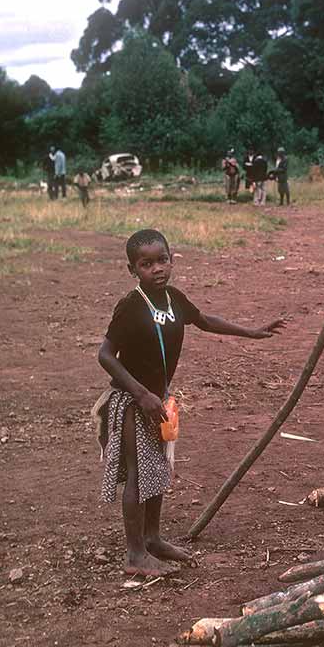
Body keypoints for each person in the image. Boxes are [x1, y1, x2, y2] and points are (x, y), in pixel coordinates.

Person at [95, 229, 285, 576]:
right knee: (139, 475)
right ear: (132, 270)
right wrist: (140, 392)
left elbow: (206, 322)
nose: (157, 269)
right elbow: (105, 355)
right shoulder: (130, 306)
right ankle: (135, 555)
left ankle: (152, 538)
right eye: (146, 264)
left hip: (159, 402)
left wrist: (252, 331)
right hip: (131, 399)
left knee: (158, 470)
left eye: (162, 260)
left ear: (172, 259)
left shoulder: (174, 300)